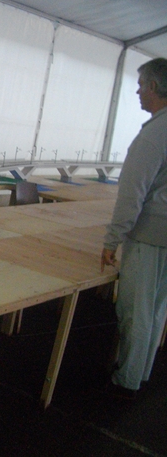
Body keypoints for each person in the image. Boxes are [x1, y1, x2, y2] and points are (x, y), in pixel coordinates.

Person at [101, 57, 167, 399]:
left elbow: (132, 194)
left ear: (154, 87)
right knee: (156, 309)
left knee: (135, 310)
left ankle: (126, 379)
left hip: (150, 235)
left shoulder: (154, 134)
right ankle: (141, 372)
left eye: (141, 85)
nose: (138, 91)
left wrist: (113, 239)